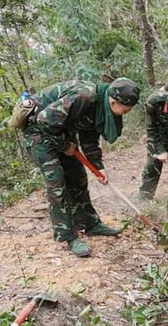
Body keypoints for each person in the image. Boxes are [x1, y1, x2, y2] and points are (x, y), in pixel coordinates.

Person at [22, 77, 140, 257]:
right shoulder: (84, 96)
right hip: (38, 133)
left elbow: (89, 136)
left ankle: (90, 224)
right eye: (124, 111)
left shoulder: (99, 107)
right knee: (57, 181)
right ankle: (67, 236)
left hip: (60, 131)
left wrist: (98, 166)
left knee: (78, 176)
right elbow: (44, 120)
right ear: (113, 101)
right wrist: (64, 145)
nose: (123, 114)